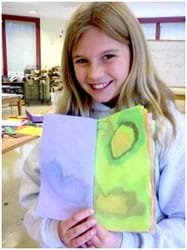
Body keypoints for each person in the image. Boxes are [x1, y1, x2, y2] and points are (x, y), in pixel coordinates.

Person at [19, 2, 185, 248]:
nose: (95, 74)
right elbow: (32, 202)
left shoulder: (167, 127)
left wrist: (121, 243)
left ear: (134, 54)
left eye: (108, 56)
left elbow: (182, 223)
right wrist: (55, 231)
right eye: (81, 60)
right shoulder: (65, 123)